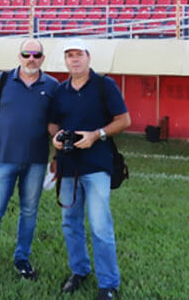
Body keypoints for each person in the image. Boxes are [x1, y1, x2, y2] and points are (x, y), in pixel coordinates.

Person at [0, 38, 58, 296]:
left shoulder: (52, 86)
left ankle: (22, 260)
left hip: (37, 162)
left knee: (29, 212)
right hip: (3, 160)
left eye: (36, 55)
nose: (31, 59)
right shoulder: (3, 81)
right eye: (26, 54)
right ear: (19, 56)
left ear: (42, 58)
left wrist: (57, 156)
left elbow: (55, 126)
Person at [49, 38, 131, 300]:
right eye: (70, 55)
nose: (75, 59)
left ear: (88, 57)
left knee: (99, 226)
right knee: (70, 223)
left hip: (96, 165)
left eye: (79, 54)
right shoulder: (61, 91)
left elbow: (124, 120)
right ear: (65, 60)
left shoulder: (104, 85)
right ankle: (79, 270)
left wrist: (96, 135)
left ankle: (108, 284)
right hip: (68, 166)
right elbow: (52, 124)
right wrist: (57, 137)